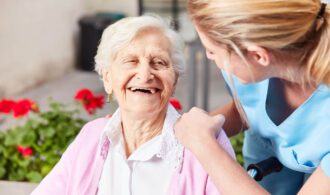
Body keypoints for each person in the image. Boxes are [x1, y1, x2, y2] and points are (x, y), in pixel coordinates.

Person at [31, 15, 235, 195]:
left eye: (159, 62)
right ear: (108, 78)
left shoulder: (206, 144)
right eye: (131, 61)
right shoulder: (91, 138)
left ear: (174, 81)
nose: (145, 75)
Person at [174, 0, 330, 194]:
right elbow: (248, 110)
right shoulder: (251, 68)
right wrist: (192, 132)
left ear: (257, 56)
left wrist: (204, 145)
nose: (208, 56)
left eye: (212, 50)